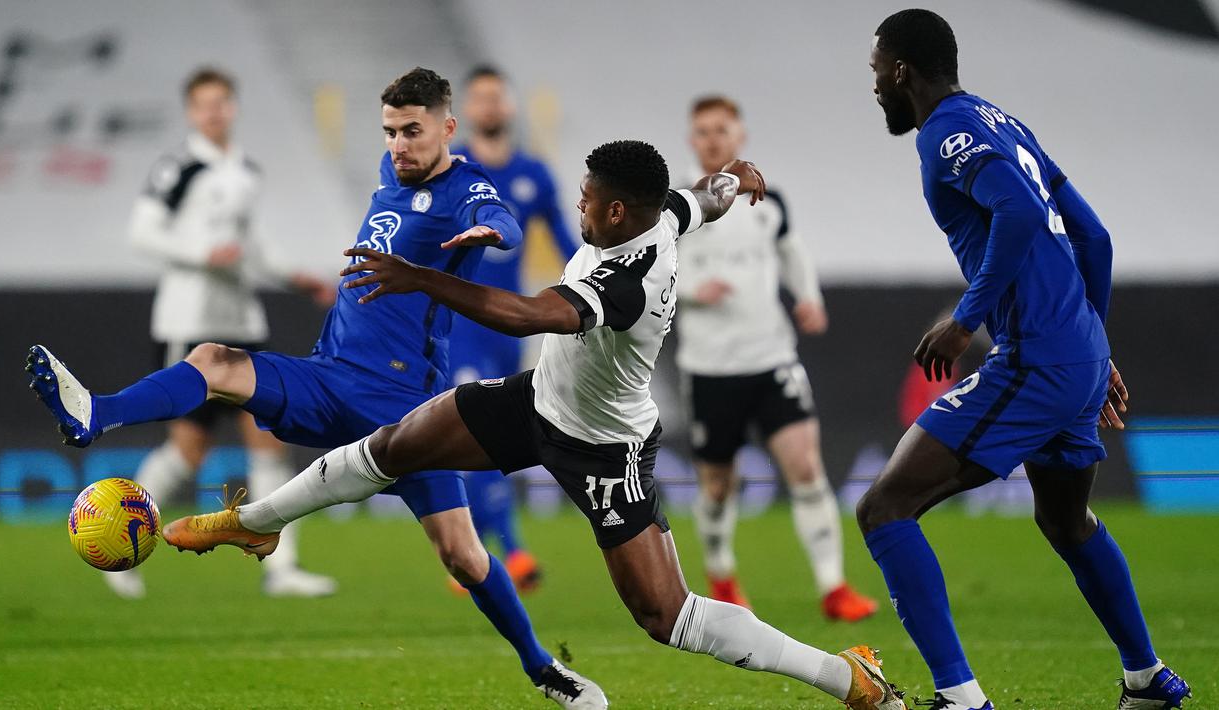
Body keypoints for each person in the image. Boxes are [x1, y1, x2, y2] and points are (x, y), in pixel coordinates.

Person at [163, 140, 909, 710]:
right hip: (539, 403)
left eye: (586, 200)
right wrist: (731, 179)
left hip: (603, 447)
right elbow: (696, 199)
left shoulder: (624, 279)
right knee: (396, 447)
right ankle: (257, 523)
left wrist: (416, 277)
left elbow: (526, 314)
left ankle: (845, 677)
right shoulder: (658, 215)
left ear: (617, 212)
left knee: (665, 614)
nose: (578, 208)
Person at [26, 67, 604, 708]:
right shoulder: (392, 175)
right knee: (215, 360)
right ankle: (95, 415)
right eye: (389, 132)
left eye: (412, 131)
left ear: (446, 127)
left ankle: (542, 668)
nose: (398, 146)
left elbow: (507, 221)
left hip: (406, 408)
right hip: (328, 376)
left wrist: (492, 231)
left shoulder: (466, 188)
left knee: (465, 558)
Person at [859, 10, 1191, 710]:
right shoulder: (1000, 121)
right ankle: (1146, 680)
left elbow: (1012, 213)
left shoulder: (945, 132)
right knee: (1065, 522)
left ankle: (960, 698)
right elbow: (1092, 236)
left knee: (885, 507)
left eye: (874, 72)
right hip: (1071, 354)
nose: (873, 88)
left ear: (899, 71)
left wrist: (964, 319)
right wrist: (1093, 347)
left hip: (1035, 361)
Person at [102, 67, 338, 601]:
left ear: (233, 108)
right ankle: (116, 552)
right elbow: (141, 232)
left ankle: (282, 568)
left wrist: (294, 276)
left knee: (268, 439)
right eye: (204, 105)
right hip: (190, 323)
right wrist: (201, 255)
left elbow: (251, 246)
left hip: (242, 324)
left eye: (222, 103)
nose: (214, 112)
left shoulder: (246, 171)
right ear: (191, 112)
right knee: (188, 449)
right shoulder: (178, 168)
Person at [676, 95, 877, 620]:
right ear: (692, 141)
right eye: (703, 131)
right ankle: (721, 577)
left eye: (722, 129)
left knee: (806, 468)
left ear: (739, 136)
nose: (713, 139)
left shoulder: (768, 200)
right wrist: (696, 289)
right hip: (709, 366)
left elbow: (792, 251)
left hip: (772, 359)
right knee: (717, 486)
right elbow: (654, 279)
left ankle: (834, 588)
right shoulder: (677, 209)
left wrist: (808, 296)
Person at [446, 65, 581, 591]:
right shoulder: (454, 172)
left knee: (491, 439)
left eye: (496, 97)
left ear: (509, 106)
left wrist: (607, 283)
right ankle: (512, 551)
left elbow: (570, 244)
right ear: (466, 113)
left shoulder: (535, 174)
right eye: (479, 98)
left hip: (511, 326)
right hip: (461, 323)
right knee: (470, 425)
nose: (489, 107)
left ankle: (469, 554)